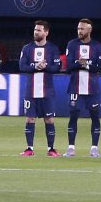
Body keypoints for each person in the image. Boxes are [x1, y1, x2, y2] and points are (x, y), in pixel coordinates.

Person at [62, 18, 101, 157]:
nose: (79, 31)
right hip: (75, 86)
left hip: (92, 88)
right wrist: (80, 63)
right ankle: (71, 148)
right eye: (78, 28)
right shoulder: (72, 45)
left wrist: (86, 65)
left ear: (89, 30)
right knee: (73, 116)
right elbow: (68, 66)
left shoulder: (98, 46)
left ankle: (94, 148)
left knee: (95, 116)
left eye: (82, 28)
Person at [17, 20, 60, 157]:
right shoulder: (27, 48)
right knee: (30, 119)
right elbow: (22, 67)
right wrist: (36, 66)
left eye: (39, 30)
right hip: (30, 91)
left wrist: (45, 67)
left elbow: (56, 68)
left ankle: (51, 149)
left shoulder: (52, 49)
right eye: (35, 30)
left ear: (46, 32)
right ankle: (29, 148)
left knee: (49, 120)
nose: (36, 32)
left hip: (47, 91)